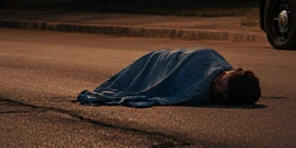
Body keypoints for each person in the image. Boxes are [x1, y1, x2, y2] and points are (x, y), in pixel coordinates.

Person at [76, 48, 261, 108]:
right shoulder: (216, 61)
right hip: (161, 60)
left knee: (135, 89)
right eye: (225, 81)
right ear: (231, 72)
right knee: (131, 77)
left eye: (224, 92)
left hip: (166, 69)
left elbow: (173, 91)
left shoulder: (200, 93)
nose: (219, 86)